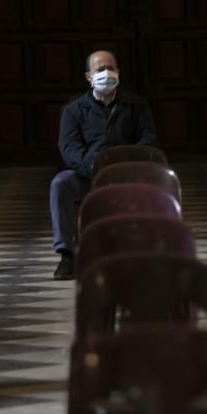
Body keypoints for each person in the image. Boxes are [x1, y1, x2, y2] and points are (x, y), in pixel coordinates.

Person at [50, 50, 157, 280]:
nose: (106, 74)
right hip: (88, 175)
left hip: (126, 174)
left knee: (159, 182)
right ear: (89, 77)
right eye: (100, 70)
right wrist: (94, 168)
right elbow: (69, 148)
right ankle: (67, 254)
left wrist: (122, 165)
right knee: (60, 184)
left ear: (118, 72)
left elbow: (147, 140)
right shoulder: (74, 111)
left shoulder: (136, 105)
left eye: (111, 68)